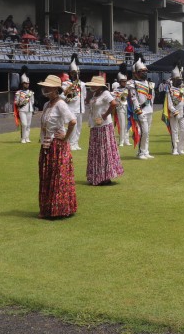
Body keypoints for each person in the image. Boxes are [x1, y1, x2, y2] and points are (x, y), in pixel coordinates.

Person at [37, 74, 77, 218]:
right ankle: (48, 208)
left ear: (55, 89)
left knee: (58, 177)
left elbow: (72, 121)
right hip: (47, 145)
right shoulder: (47, 105)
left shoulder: (60, 104)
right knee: (47, 175)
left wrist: (65, 137)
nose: (45, 89)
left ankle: (59, 209)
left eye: (48, 87)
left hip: (57, 146)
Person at [84, 75, 123, 185]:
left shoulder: (105, 94)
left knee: (104, 149)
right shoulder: (95, 94)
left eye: (94, 85)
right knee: (96, 150)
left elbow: (114, 103)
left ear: (100, 86)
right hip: (95, 124)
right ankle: (98, 175)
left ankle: (105, 176)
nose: (92, 87)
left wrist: (105, 115)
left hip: (104, 125)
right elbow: (89, 103)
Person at [128, 54, 155, 159]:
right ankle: (141, 152)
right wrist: (137, 109)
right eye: (142, 71)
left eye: (145, 71)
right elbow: (134, 98)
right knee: (144, 131)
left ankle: (146, 151)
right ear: (136, 73)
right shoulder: (133, 83)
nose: (144, 73)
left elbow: (152, 98)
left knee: (147, 132)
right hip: (141, 110)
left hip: (149, 110)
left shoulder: (149, 84)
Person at [62, 54, 86, 151]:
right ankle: (71, 143)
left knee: (79, 127)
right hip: (71, 108)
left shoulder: (82, 84)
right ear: (71, 73)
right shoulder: (66, 84)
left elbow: (84, 96)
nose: (76, 74)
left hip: (80, 108)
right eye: (74, 73)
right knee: (73, 127)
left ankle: (76, 143)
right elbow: (65, 96)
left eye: (77, 73)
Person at [166, 61, 184, 155]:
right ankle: (175, 149)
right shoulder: (170, 90)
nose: (179, 80)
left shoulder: (183, 89)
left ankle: (181, 148)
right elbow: (169, 104)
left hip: (183, 113)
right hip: (174, 113)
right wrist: (174, 111)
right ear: (173, 79)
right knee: (174, 132)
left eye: (180, 79)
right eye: (177, 79)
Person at [112, 65, 131, 147]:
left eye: (125, 81)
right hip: (120, 108)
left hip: (128, 107)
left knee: (128, 124)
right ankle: (121, 141)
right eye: (123, 81)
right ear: (119, 81)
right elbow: (114, 99)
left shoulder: (128, 89)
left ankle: (127, 140)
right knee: (122, 124)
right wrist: (118, 100)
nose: (125, 83)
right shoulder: (116, 90)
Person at [14, 67, 34, 143]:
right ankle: (23, 138)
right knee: (24, 124)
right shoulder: (19, 92)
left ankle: (27, 138)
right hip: (22, 110)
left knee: (28, 125)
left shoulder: (31, 93)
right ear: (23, 84)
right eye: (26, 83)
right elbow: (16, 102)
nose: (27, 84)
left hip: (30, 109)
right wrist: (20, 103)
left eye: (28, 83)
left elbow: (32, 101)